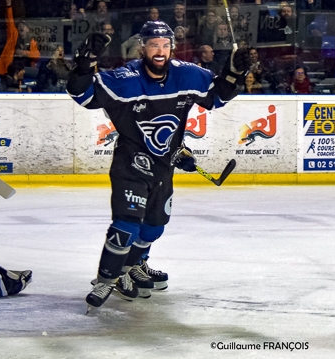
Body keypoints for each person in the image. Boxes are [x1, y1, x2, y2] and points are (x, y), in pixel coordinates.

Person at [66, 20, 250, 309]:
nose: (160, 50)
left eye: (165, 45)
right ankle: (106, 280)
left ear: (172, 48)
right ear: (143, 47)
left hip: (165, 165)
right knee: (126, 226)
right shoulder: (125, 79)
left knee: (153, 228)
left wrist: (235, 71)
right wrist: (85, 62)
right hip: (131, 163)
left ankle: (133, 267)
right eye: (154, 45)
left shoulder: (188, 75)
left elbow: (217, 97)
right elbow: (82, 94)